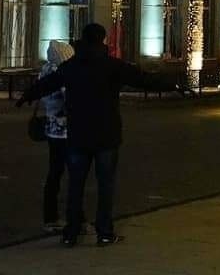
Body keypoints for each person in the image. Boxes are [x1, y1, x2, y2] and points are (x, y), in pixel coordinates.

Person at [18, 23, 150, 247]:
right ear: (103, 40)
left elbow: (48, 84)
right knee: (105, 186)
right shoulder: (111, 65)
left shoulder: (72, 66)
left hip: (78, 134)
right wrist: (174, 85)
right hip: (106, 135)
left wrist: (26, 96)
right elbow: (142, 79)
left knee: (75, 185)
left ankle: (71, 233)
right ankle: (104, 233)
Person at [40, 40, 76, 233]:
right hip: (65, 130)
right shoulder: (60, 74)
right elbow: (71, 99)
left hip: (51, 129)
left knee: (54, 173)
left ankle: (50, 217)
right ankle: (73, 217)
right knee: (74, 174)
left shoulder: (44, 71)